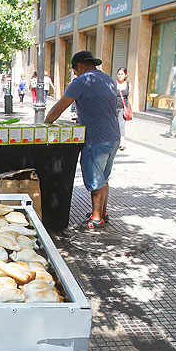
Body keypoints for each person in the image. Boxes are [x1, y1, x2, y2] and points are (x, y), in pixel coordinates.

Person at [44, 51, 120, 229]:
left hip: (96, 138)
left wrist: (46, 122)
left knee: (95, 179)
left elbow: (60, 106)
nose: (75, 74)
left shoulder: (81, 81)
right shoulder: (109, 79)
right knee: (104, 177)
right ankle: (103, 212)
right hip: (114, 136)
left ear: (79, 66)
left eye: (74, 71)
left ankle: (96, 218)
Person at [115, 67, 130, 150]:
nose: (120, 76)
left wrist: (131, 108)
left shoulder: (128, 85)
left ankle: (122, 141)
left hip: (122, 107)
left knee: (121, 124)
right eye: (119, 74)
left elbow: (129, 97)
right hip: (113, 107)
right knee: (114, 123)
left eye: (122, 74)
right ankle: (115, 139)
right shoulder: (114, 83)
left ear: (125, 75)